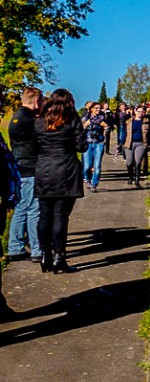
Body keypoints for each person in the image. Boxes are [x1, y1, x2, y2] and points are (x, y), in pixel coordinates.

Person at [33, 89, 87, 273]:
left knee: (44, 215)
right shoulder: (72, 120)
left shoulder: (40, 121)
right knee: (61, 217)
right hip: (66, 169)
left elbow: (34, 146)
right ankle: (59, 256)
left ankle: (44, 254)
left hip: (44, 169)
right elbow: (82, 146)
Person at [6, 87, 43, 262]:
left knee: (21, 208)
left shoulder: (16, 117)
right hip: (31, 168)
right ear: (36, 101)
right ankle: (37, 249)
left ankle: (15, 247)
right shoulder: (31, 120)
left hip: (19, 167)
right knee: (34, 210)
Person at [81, 101, 110, 192]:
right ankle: (88, 180)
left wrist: (106, 127)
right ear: (91, 109)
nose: (98, 110)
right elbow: (80, 130)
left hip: (99, 143)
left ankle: (94, 183)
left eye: (99, 108)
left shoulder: (103, 118)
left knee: (97, 165)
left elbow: (108, 127)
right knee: (87, 166)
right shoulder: (85, 118)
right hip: (88, 142)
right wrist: (86, 125)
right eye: (96, 108)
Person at [121, 104, 150, 187]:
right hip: (129, 143)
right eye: (139, 112)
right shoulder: (129, 122)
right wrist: (122, 143)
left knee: (137, 161)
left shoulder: (146, 121)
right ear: (135, 112)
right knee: (129, 162)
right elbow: (124, 133)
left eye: (142, 112)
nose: (141, 113)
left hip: (141, 143)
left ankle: (137, 179)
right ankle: (130, 177)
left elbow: (149, 134)